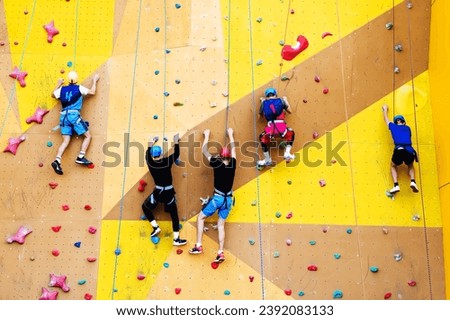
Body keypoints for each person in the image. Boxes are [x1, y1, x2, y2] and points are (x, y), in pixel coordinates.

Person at [189, 128, 236, 263]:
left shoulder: (217, 163)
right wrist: (231, 135)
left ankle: (198, 245)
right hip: (228, 200)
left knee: (200, 218)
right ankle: (220, 252)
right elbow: (234, 151)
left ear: (221, 156)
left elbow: (204, 151)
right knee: (221, 225)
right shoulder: (232, 164)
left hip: (218, 199)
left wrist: (207, 136)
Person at [51, 71, 99, 175]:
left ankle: (57, 160)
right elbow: (92, 92)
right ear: (77, 79)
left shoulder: (62, 89)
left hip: (63, 117)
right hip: (74, 116)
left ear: (68, 80)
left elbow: (53, 95)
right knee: (87, 136)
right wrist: (94, 81)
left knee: (65, 141)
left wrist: (59, 83)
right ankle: (81, 156)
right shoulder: (79, 88)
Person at [142, 133, 187, 246]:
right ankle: (176, 239)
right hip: (168, 193)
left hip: (158, 193)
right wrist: (176, 141)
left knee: (145, 207)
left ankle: (155, 227)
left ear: (153, 155)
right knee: (174, 215)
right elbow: (176, 154)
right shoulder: (167, 161)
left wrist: (151, 142)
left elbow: (146, 154)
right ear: (161, 153)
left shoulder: (151, 163)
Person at [382, 104, 419, 194]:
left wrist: (385, 109)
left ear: (395, 122)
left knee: (393, 165)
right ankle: (413, 181)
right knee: (410, 165)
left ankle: (396, 185)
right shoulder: (408, 128)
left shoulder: (393, 127)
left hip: (399, 149)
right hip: (409, 150)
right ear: (404, 122)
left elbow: (386, 119)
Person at [257, 87, 295, 167]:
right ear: (276, 95)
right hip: (281, 127)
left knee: (262, 138)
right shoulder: (281, 100)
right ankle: (287, 153)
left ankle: (267, 159)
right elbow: (290, 111)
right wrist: (286, 100)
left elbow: (259, 117)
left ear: (267, 96)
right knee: (291, 133)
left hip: (270, 129)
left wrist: (262, 103)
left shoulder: (264, 103)